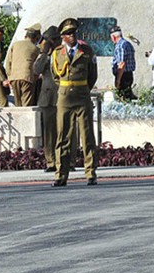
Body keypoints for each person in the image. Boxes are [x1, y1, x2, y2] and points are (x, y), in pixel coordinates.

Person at [51, 18, 98, 187]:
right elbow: (56, 76)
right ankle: (60, 174)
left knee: (87, 135)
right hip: (64, 98)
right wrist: (67, 88)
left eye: (74, 33)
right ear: (63, 37)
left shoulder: (86, 51)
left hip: (82, 95)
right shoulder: (57, 53)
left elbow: (93, 75)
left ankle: (90, 172)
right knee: (63, 136)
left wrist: (83, 88)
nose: (72, 36)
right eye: (69, 34)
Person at [34, 25, 61, 172]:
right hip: (48, 98)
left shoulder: (63, 53)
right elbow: (36, 70)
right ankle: (51, 161)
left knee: (64, 131)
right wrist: (44, 53)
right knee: (49, 133)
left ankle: (65, 160)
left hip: (62, 97)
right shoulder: (45, 55)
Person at [5, 23, 41, 106]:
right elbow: (38, 66)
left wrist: (10, 77)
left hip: (14, 78)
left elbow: (8, 62)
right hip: (27, 78)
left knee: (18, 105)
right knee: (26, 105)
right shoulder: (35, 49)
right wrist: (35, 77)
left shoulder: (15, 45)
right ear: (36, 37)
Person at [110, 25, 137, 101]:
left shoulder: (120, 46)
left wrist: (118, 80)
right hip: (128, 74)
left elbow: (121, 64)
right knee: (127, 97)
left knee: (123, 99)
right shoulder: (127, 44)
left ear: (114, 37)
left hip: (123, 76)